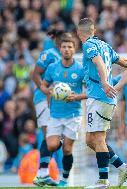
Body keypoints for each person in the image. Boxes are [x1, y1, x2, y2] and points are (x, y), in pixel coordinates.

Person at [76, 18, 127, 188]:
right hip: (101, 97)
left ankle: (103, 181)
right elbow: (123, 61)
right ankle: (122, 167)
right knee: (90, 140)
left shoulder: (89, 45)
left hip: (101, 97)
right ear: (93, 30)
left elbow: (98, 62)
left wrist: (105, 82)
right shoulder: (105, 45)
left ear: (79, 33)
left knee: (98, 138)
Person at [39, 33, 86, 187]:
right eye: (64, 47)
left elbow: (92, 91)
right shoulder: (52, 68)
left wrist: (77, 97)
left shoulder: (81, 69)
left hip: (73, 114)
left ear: (74, 49)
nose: (66, 49)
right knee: (51, 145)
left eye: (69, 47)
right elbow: (43, 85)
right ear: (60, 49)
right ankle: (43, 173)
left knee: (67, 149)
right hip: (55, 114)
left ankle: (64, 180)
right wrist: (49, 92)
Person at [32, 29, 64, 186]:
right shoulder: (48, 53)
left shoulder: (66, 59)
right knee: (51, 137)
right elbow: (35, 74)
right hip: (43, 99)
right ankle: (42, 173)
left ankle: (43, 173)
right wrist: (44, 90)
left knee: (56, 139)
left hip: (56, 101)